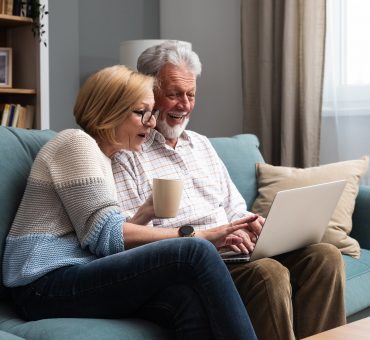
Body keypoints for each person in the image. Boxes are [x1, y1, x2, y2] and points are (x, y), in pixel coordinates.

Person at [2, 65, 258, 340]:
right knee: (195, 251)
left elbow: (107, 240)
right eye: (141, 113)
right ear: (108, 111)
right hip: (42, 284)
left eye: (151, 113)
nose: (151, 123)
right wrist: (204, 235)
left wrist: (145, 212)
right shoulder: (75, 144)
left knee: (184, 299)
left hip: (76, 273)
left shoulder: (105, 159)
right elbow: (105, 235)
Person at [112, 41, 347, 340]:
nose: (184, 105)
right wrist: (215, 237)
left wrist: (252, 225)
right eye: (173, 94)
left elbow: (234, 207)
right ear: (148, 92)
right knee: (268, 275)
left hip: (234, 251)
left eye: (191, 94)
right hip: (194, 263)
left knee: (324, 256)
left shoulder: (202, 145)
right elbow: (134, 238)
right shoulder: (130, 152)